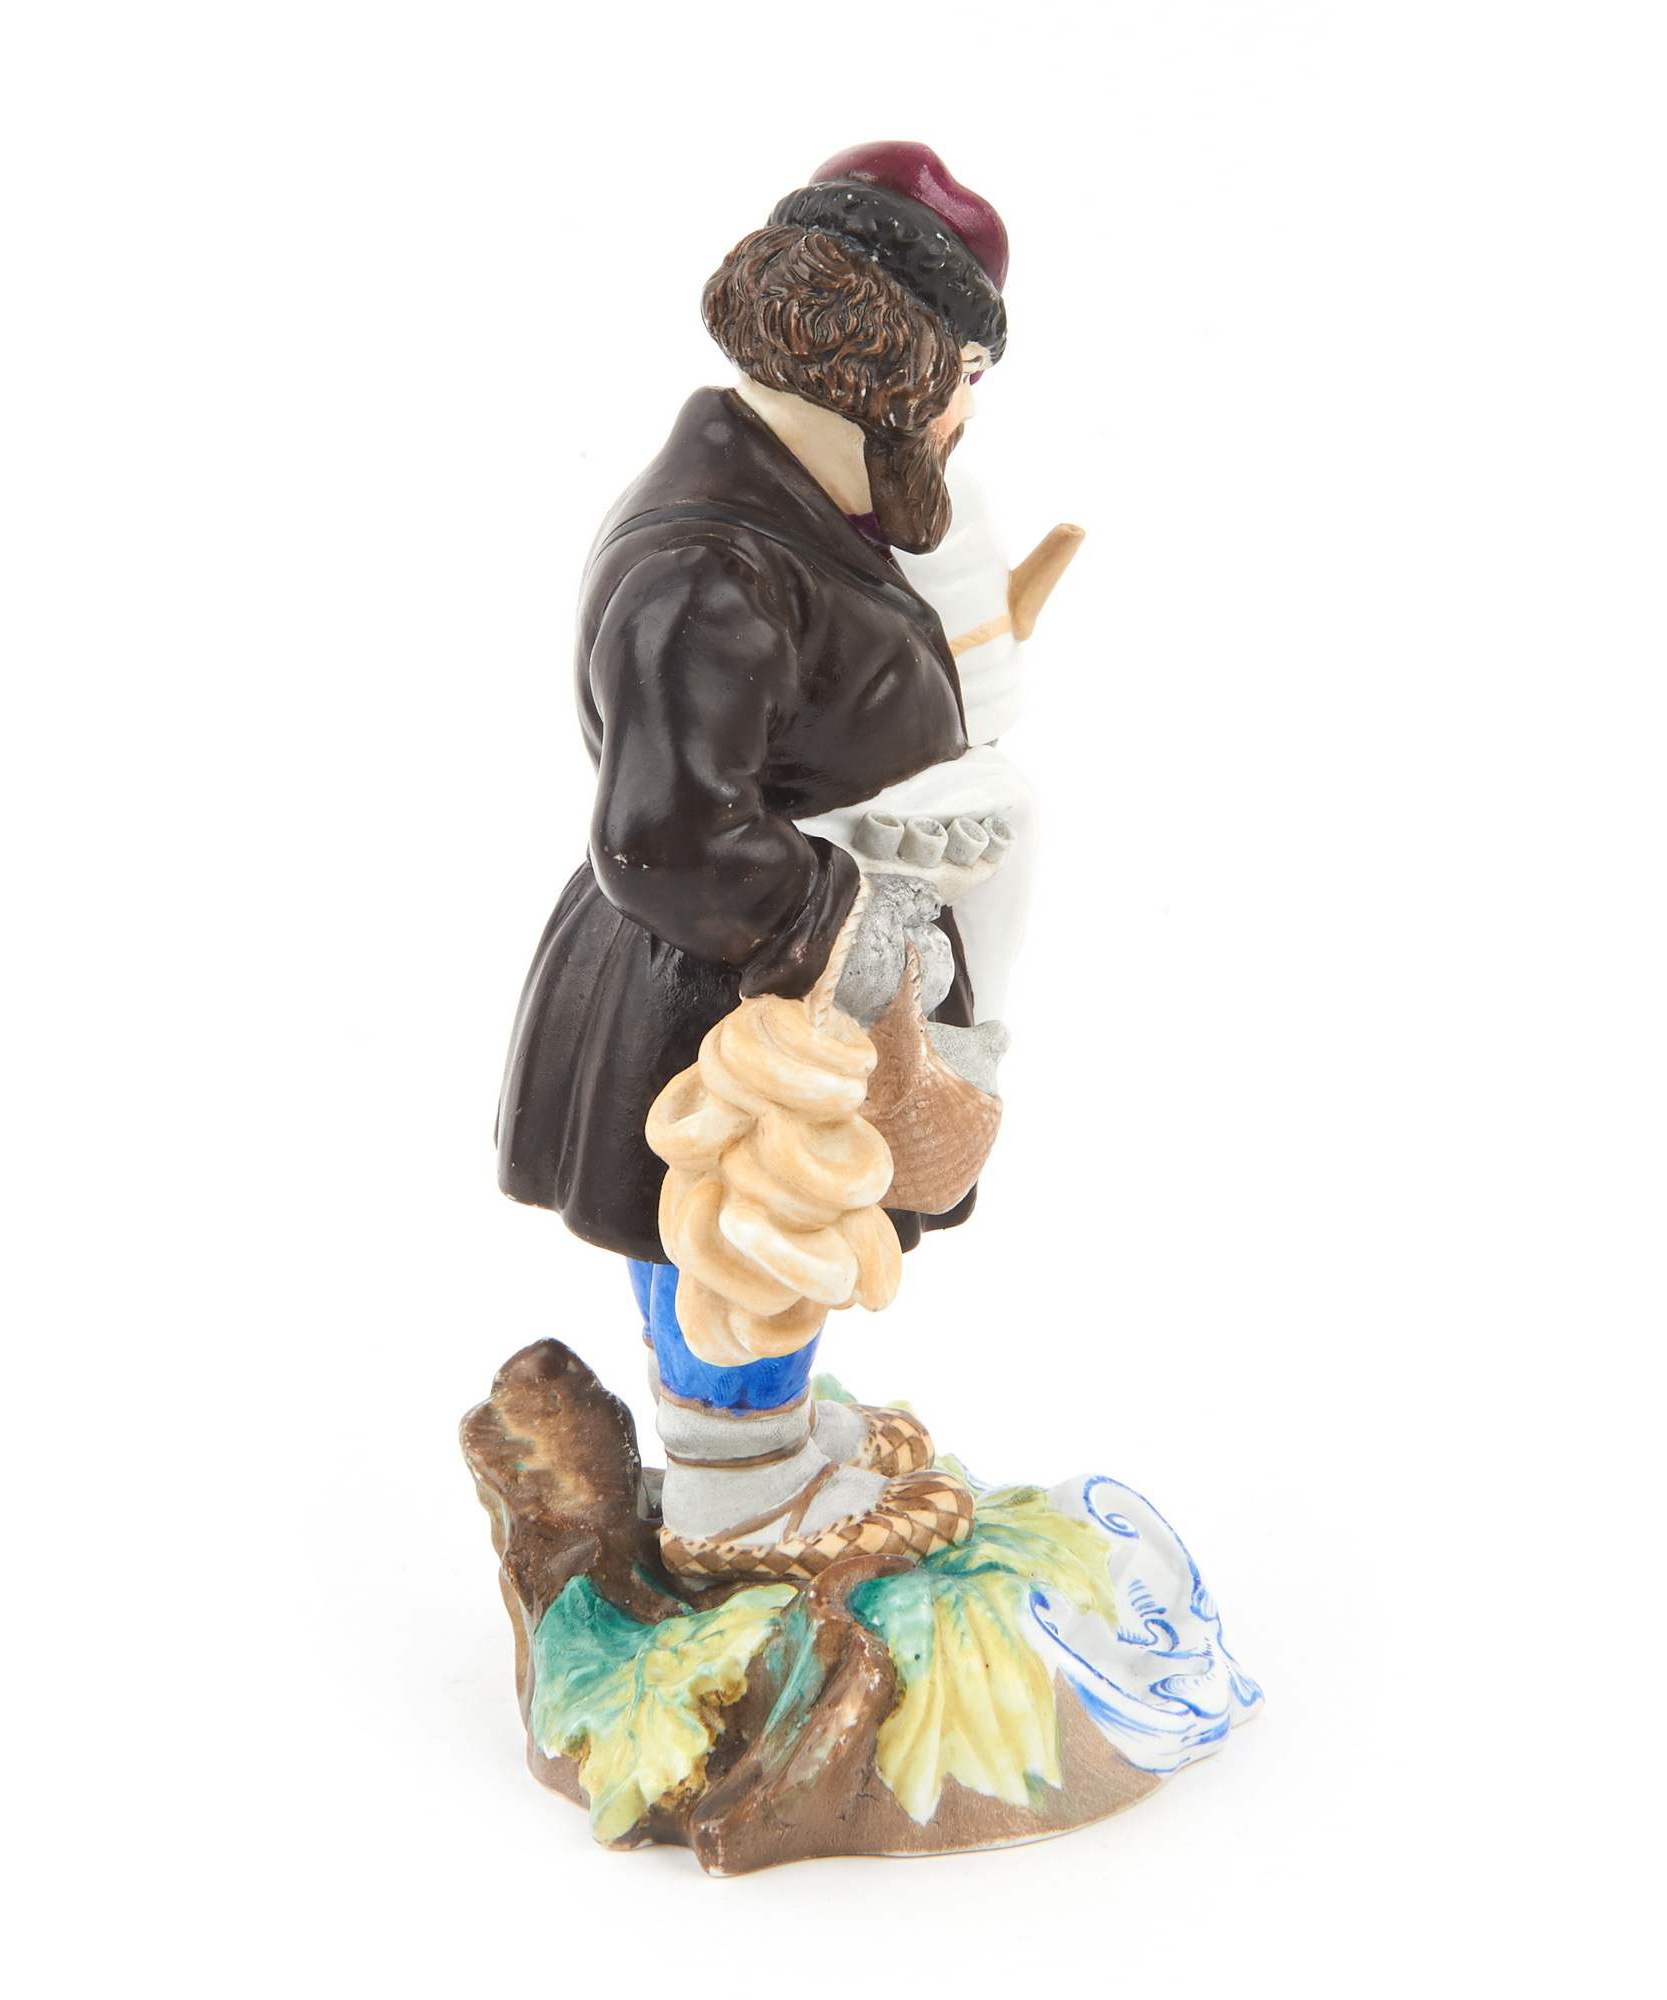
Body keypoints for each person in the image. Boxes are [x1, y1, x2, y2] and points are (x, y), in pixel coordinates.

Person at [497, 143, 1018, 1578]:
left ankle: (763, 1431)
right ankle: (736, 1485)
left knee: (784, 1227)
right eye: (970, 372)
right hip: (720, 978)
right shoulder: (711, 567)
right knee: (737, 1222)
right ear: (898, 365)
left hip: (772, 967)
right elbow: (664, 836)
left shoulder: (794, 504)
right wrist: (859, 914)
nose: (971, 413)